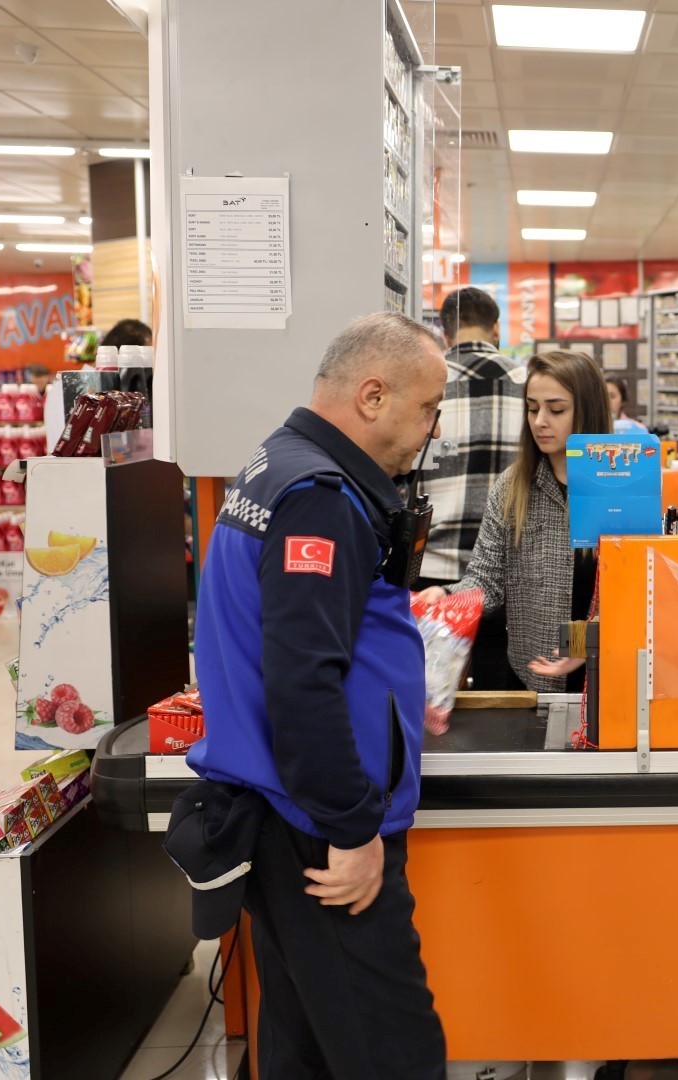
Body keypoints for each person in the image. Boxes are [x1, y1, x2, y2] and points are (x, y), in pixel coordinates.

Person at [187, 312, 448, 1078]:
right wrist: (350, 828)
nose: (432, 429)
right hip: (317, 829)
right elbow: (303, 681)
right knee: (393, 1053)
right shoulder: (321, 498)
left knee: (304, 1046)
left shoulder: (277, 464)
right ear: (373, 395)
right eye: (428, 407)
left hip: (283, 816)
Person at [425, 350, 611, 693]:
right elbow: (487, 578)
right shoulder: (513, 486)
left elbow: (628, 591)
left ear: (587, 411)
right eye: (532, 407)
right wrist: (446, 595)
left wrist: (583, 644)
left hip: (605, 680)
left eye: (556, 410)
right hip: (531, 678)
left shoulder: (619, 485)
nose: (540, 420)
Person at [415, 285, 525, 690]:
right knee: (501, 702)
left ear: (445, 333)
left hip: (433, 578)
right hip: (508, 578)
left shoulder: (425, 384)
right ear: (496, 329)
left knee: (434, 699)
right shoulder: (532, 383)